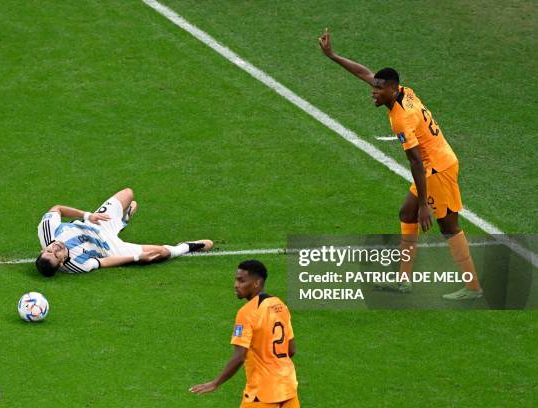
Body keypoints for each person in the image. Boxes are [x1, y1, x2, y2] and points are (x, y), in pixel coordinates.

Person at [318, 28, 482, 300]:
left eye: (379, 89)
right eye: (375, 87)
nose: (373, 92)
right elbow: (364, 73)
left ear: (392, 90)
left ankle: (473, 286)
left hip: (436, 168)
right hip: (438, 162)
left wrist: (423, 206)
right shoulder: (404, 92)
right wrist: (332, 55)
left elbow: (416, 161)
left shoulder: (401, 119)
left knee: (447, 225)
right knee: (406, 214)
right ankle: (403, 280)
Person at [190, 260, 300, 407]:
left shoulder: (247, 313)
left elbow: (240, 356)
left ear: (257, 283)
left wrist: (215, 383)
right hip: (288, 387)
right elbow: (291, 350)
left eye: (241, 280)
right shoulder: (280, 305)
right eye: (236, 279)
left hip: (262, 393)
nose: (236, 285)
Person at [35, 187, 212, 276]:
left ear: (44, 249)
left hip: (97, 224)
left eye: (49, 250)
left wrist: (88, 215)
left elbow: (57, 208)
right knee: (160, 253)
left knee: (128, 193)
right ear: (61, 263)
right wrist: (136, 259)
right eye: (56, 254)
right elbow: (105, 262)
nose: (55, 248)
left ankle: (121, 220)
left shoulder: (47, 232)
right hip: (110, 247)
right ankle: (185, 247)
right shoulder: (76, 266)